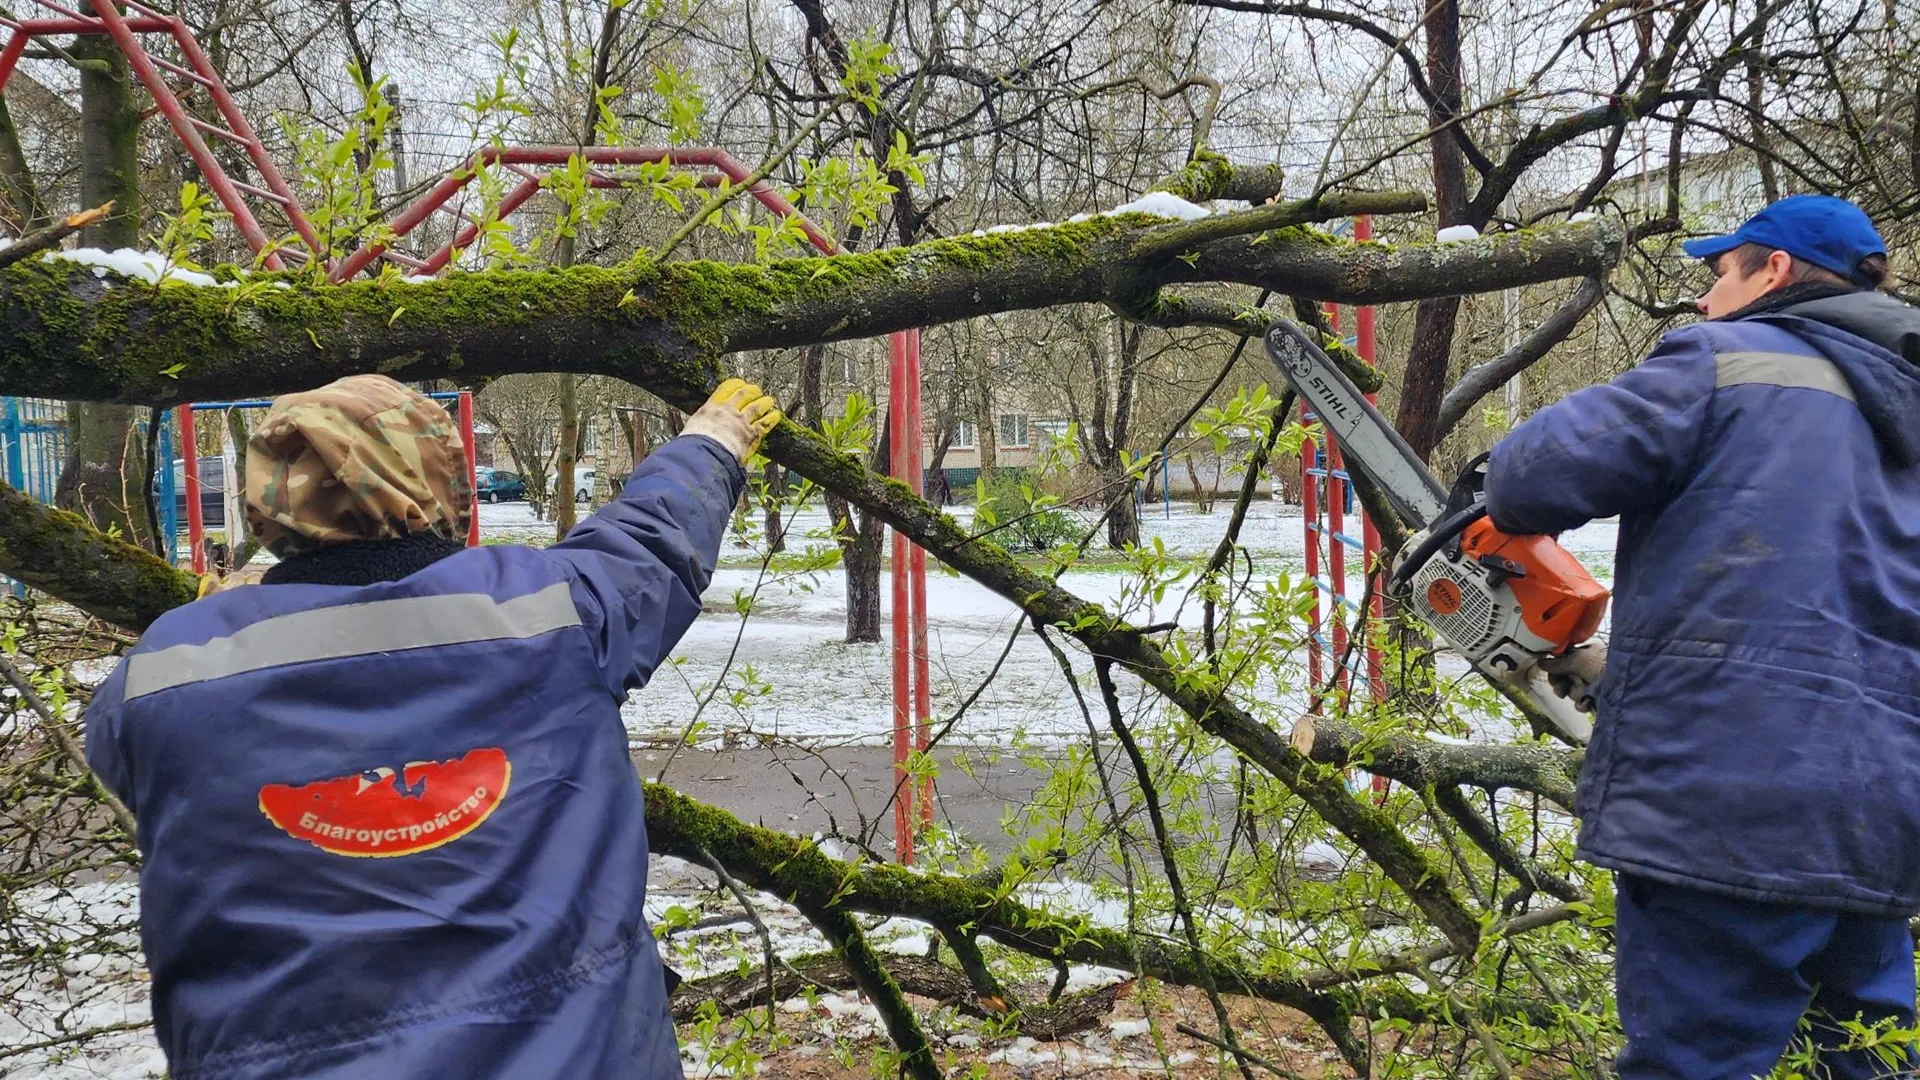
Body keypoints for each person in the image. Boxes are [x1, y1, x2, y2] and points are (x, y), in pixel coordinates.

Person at [84, 374, 780, 1080]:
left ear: (273, 498)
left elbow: (116, 758)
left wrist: (208, 630)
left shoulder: (167, 673)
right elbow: (651, 543)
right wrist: (712, 443)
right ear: (441, 478)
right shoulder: (552, 611)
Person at [1485, 194, 1920, 1079]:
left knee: (1695, 1060)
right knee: (1867, 1056)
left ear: (1777, 271)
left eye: (1723, 272)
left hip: (1723, 800)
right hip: (1882, 811)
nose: (1705, 297)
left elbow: (1527, 480)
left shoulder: (1723, 362)